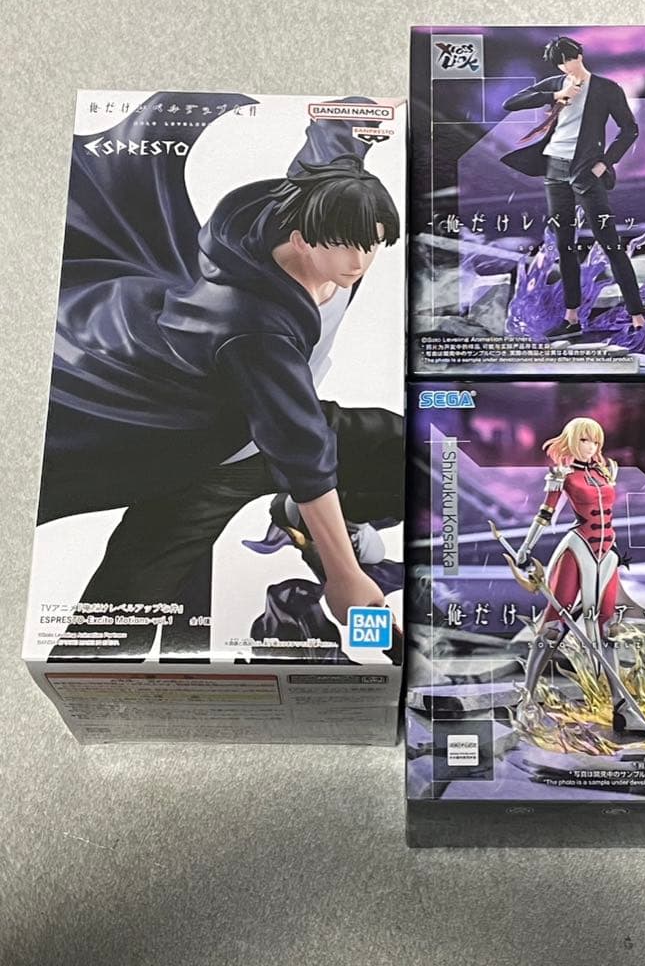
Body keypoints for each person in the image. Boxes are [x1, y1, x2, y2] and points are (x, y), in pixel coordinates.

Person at [39, 95, 403, 658]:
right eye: (344, 245)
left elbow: (330, 145)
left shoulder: (313, 205)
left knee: (415, 454)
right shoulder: (250, 326)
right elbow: (302, 450)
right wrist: (344, 574)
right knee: (118, 626)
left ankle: (301, 516)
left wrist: (371, 110)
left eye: (372, 243)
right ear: (304, 238)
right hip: (201, 451)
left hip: (277, 418)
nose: (359, 261)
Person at [512, 416, 645, 736]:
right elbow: (545, 514)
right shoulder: (562, 476)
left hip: (607, 554)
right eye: (584, 440)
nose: (591, 447)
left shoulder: (606, 471)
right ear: (572, 441)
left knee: (608, 628)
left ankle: (622, 708)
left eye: (595, 442)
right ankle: (527, 699)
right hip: (577, 551)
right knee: (553, 626)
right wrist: (525, 548)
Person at [501, 36, 645, 338]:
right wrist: (557, 94)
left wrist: (604, 163)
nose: (565, 66)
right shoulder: (557, 84)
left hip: (586, 173)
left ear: (579, 55)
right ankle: (572, 318)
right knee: (565, 246)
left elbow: (629, 129)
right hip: (554, 170)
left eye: (568, 59)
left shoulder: (606, 88)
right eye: (559, 63)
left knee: (611, 244)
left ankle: (638, 318)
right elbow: (510, 103)